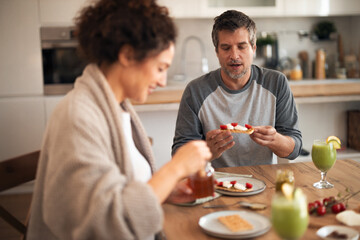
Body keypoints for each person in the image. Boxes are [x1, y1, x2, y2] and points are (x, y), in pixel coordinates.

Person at [27, 1, 212, 239]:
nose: (163, 81)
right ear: (127, 55)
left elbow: (121, 188)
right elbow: (103, 224)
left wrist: (165, 191)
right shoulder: (78, 116)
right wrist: (174, 169)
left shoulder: (117, 109)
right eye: (160, 67)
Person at [172, 10, 302, 168]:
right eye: (226, 48)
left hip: (264, 182)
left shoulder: (276, 83)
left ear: (253, 48)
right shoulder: (196, 91)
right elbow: (179, 155)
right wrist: (208, 151)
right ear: (217, 52)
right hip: (215, 185)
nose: (234, 55)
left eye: (242, 47)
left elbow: (294, 150)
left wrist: (274, 139)